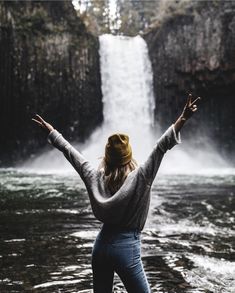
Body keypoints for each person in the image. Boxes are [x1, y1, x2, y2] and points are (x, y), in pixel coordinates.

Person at [32, 93, 201, 293]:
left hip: (100, 246)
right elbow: (161, 147)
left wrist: (52, 132)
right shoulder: (141, 177)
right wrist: (183, 118)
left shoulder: (93, 175)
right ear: (129, 157)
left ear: (106, 156)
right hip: (127, 248)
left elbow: (70, 153)